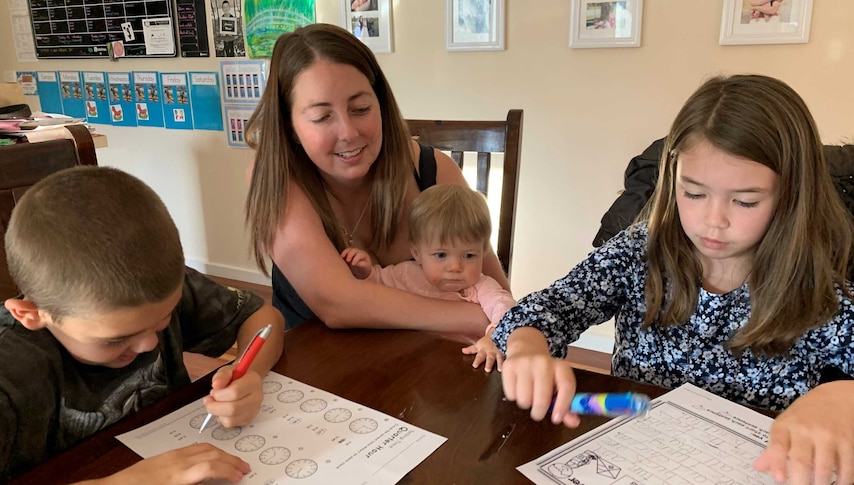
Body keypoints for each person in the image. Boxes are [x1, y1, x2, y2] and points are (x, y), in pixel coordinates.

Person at [493, 74, 854, 485]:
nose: (713, 220)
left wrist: (841, 396)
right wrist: (527, 348)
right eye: (694, 193)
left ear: (791, 194)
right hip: (636, 456)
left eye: (745, 200)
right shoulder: (641, 252)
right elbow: (547, 308)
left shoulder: (815, 286)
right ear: (672, 177)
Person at [0, 166, 285, 483]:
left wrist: (249, 372)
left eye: (164, 320)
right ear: (32, 313)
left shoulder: (150, 288)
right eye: (115, 339)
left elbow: (263, 317)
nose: (150, 344)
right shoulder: (5, 369)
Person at [244, 23, 508, 334]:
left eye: (360, 108)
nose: (348, 133)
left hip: (430, 364)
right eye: (322, 117)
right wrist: (491, 320)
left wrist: (506, 320)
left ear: (381, 104)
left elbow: (494, 286)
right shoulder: (275, 179)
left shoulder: (433, 172)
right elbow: (338, 304)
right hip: (316, 370)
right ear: (290, 128)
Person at [342, 185, 515, 371]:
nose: (455, 267)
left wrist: (493, 338)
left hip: (466, 365)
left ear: (483, 252)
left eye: (469, 256)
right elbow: (375, 284)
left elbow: (508, 311)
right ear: (417, 253)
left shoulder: (482, 287)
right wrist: (363, 271)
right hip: (414, 364)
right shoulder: (406, 274)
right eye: (441, 255)